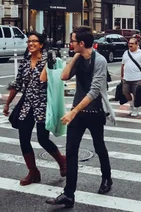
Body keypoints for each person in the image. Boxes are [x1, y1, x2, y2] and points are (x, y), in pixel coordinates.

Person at [46, 27, 112, 208]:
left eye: (73, 41)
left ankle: (107, 178)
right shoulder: (79, 58)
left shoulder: (100, 61)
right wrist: (76, 56)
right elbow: (64, 76)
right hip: (77, 112)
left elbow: (94, 91)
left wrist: (73, 111)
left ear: (81, 43)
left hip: (94, 112)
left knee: (99, 146)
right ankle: (68, 195)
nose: (70, 43)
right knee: (71, 151)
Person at [3, 32, 66, 186]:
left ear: (41, 44)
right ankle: (33, 172)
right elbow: (17, 84)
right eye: (29, 41)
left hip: (43, 105)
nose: (30, 44)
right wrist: (7, 103)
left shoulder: (48, 61)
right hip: (27, 105)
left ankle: (62, 162)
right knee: (23, 139)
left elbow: (50, 80)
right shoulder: (25, 63)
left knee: (43, 139)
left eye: (34, 41)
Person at [121, 38, 141, 117]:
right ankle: (131, 105)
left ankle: (135, 109)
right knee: (125, 92)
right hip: (126, 78)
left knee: (136, 94)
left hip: (137, 78)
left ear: (137, 44)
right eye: (129, 43)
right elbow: (123, 65)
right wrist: (122, 75)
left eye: (132, 43)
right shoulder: (126, 53)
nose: (130, 45)